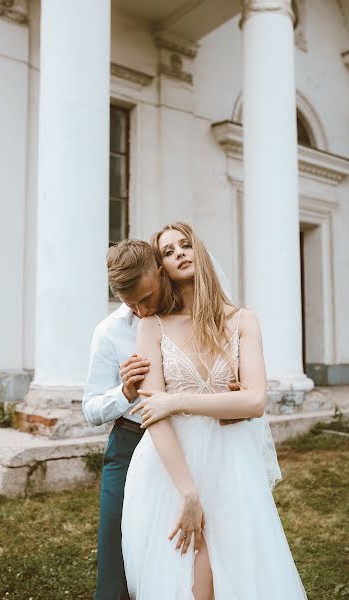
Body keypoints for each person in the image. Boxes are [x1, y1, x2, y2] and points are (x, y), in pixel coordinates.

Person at [122, 222, 307, 599]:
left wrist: (176, 401)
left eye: (185, 245)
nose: (179, 254)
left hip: (231, 460)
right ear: (161, 269)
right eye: (168, 252)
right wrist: (188, 493)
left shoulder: (242, 321)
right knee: (188, 576)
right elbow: (153, 416)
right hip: (172, 467)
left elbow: (254, 400)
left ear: (199, 251)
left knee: (235, 570)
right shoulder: (151, 326)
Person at [82, 239, 240, 600]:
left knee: (204, 543)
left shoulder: (193, 317)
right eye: (130, 303)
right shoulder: (109, 332)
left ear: (160, 272)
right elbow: (89, 409)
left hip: (193, 442)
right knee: (117, 549)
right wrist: (123, 392)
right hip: (130, 440)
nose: (140, 309)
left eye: (146, 297)